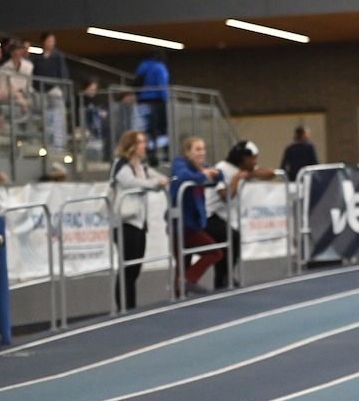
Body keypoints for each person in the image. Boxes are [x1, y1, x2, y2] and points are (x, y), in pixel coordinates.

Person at [110, 130, 168, 310]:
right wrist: (154, 184)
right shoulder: (121, 165)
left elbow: (159, 178)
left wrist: (162, 181)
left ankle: (131, 307)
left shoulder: (141, 167)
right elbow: (131, 183)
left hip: (140, 223)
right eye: (141, 142)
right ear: (132, 146)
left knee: (135, 269)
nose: (144, 146)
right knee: (127, 268)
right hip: (125, 222)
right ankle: (123, 308)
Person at [208, 140, 276, 290]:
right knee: (232, 238)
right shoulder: (221, 169)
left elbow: (271, 173)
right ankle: (225, 278)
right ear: (243, 158)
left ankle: (223, 280)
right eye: (253, 158)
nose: (255, 161)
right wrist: (237, 178)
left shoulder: (245, 168)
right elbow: (226, 197)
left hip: (224, 218)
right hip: (210, 216)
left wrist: (251, 173)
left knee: (229, 244)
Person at [169, 136, 225, 295]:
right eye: (198, 149)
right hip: (181, 225)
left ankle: (181, 290)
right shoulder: (179, 164)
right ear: (187, 152)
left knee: (183, 265)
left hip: (193, 223)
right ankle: (187, 281)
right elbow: (183, 177)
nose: (202, 153)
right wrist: (203, 175)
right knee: (214, 252)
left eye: (203, 149)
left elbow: (218, 175)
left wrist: (212, 174)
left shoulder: (199, 167)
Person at [33, 32, 71, 149]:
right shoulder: (37, 58)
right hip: (41, 91)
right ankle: (47, 144)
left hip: (55, 89)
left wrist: (61, 88)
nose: (51, 43)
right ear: (43, 42)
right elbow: (35, 75)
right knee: (45, 118)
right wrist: (36, 88)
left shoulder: (57, 56)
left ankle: (59, 145)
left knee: (58, 117)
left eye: (53, 41)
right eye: (49, 41)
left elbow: (63, 72)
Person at [133, 52, 170, 164]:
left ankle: (148, 153)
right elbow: (162, 85)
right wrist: (166, 100)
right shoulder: (159, 67)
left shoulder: (141, 66)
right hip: (157, 101)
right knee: (160, 129)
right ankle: (164, 154)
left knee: (146, 129)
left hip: (142, 100)